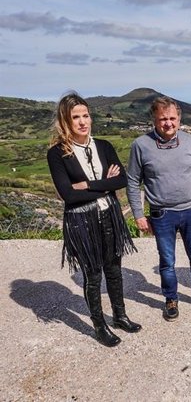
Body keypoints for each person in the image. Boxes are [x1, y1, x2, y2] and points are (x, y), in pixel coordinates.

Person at [47, 91, 140, 347]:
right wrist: (105, 185)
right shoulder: (57, 154)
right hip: (81, 221)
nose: (82, 122)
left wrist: (87, 184)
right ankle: (99, 326)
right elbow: (68, 195)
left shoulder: (104, 146)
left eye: (85, 115)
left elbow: (121, 180)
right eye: (75, 117)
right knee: (92, 274)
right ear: (65, 121)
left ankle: (120, 316)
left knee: (114, 269)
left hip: (109, 215)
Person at [126, 96, 191, 321]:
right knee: (167, 260)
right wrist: (139, 214)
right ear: (154, 120)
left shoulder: (190, 140)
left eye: (172, 118)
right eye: (163, 119)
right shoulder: (140, 145)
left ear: (179, 119)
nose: (168, 123)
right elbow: (132, 181)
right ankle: (171, 299)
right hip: (162, 214)